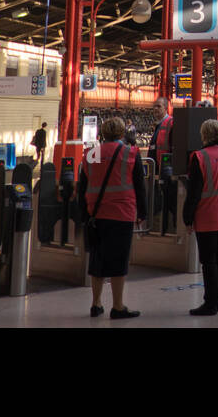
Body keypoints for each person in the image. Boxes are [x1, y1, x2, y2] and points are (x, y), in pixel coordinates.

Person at [76, 117, 147, 319]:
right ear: (123, 133)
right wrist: (142, 213)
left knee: (97, 258)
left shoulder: (91, 154)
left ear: (102, 133)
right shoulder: (131, 153)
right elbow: (139, 186)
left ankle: (96, 303)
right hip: (122, 213)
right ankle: (117, 306)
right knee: (119, 259)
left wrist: (84, 213)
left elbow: (83, 187)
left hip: (95, 214)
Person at [182, 118, 218, 316]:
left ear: (204, 135)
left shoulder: (200, 157)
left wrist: (187, 218)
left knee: (208, 261)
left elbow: (194, 193)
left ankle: (210, 303)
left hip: (207, 216)